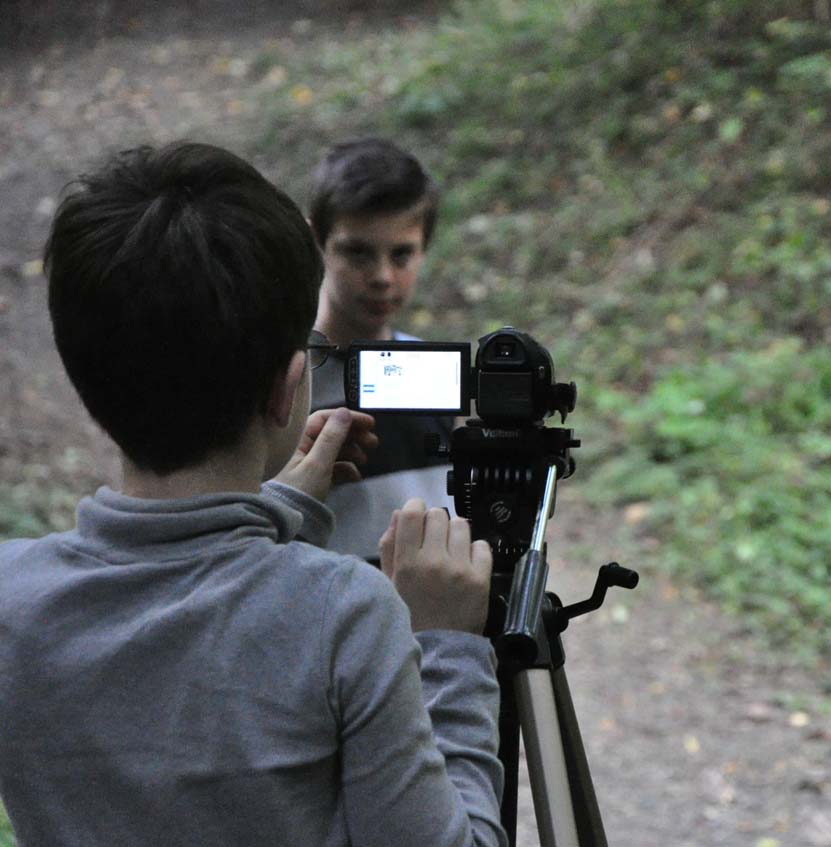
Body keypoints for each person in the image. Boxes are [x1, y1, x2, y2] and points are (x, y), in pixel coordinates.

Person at [0, 142, 506, 847]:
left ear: (86, 384)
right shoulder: (347, 617)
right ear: (287, 388)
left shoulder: (13, 600)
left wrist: (284, 505)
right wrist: (447, 645)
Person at [307, 137, 454, 562]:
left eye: (402, 254)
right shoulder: (284, 383)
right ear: (316, 240)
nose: (382, 277)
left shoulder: (438, 376)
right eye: (358, 252)